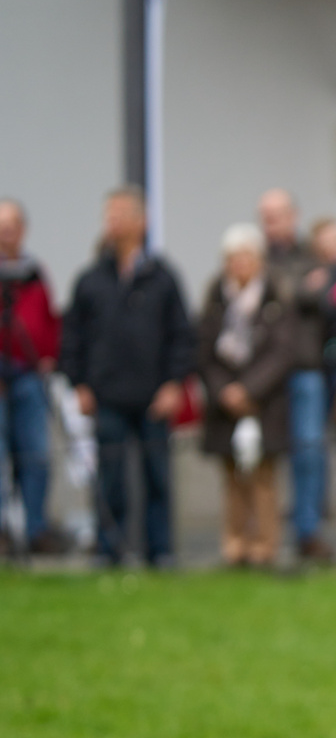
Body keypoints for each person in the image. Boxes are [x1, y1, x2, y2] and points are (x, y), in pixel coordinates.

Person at [58, 189, 193, 569]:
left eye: (119, 215)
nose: (111, 223)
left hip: (154, 396)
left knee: (157, 477)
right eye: (108, 215)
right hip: (107, 396)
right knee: (111, 477)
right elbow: (73, 337)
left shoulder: (162, 278)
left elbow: (181, 336)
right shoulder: (90, 280)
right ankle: (110, 549)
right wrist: (79, 384)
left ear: (140, 222)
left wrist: (173, 384)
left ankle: (160, 552)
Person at [197, 224, 297, 568]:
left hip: (264, 401)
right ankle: (234, 543)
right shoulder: (215, 298)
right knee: (231, 474)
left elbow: (283, 351)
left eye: (246, 257)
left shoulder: (275, 296)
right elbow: (205, 350)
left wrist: (249, 389)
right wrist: (224, 390)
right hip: (224, 400)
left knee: (264, 475)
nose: (239, 264)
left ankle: (264, 545)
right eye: (233, 258)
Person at [258, 189, 334, 560]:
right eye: (265, 217)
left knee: (309, 450)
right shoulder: (255, 259)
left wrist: (291, 293)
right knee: (261, 453)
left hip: (305, 368)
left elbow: (323, 297)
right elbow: (286, 296)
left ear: (294, 216)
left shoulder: (311, 256)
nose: (270, 224)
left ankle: (308, 531)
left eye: (277, 216)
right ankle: (263, 536)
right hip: (264, 372)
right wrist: (300, 291)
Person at [0, 200, 62, 557]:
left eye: (12, 224)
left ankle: (36, 528)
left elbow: (46, 321)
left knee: (36, 454)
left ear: (23, 230)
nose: (7, 231)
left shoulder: (34, 273)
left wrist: (49, 356)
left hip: (29, 374)